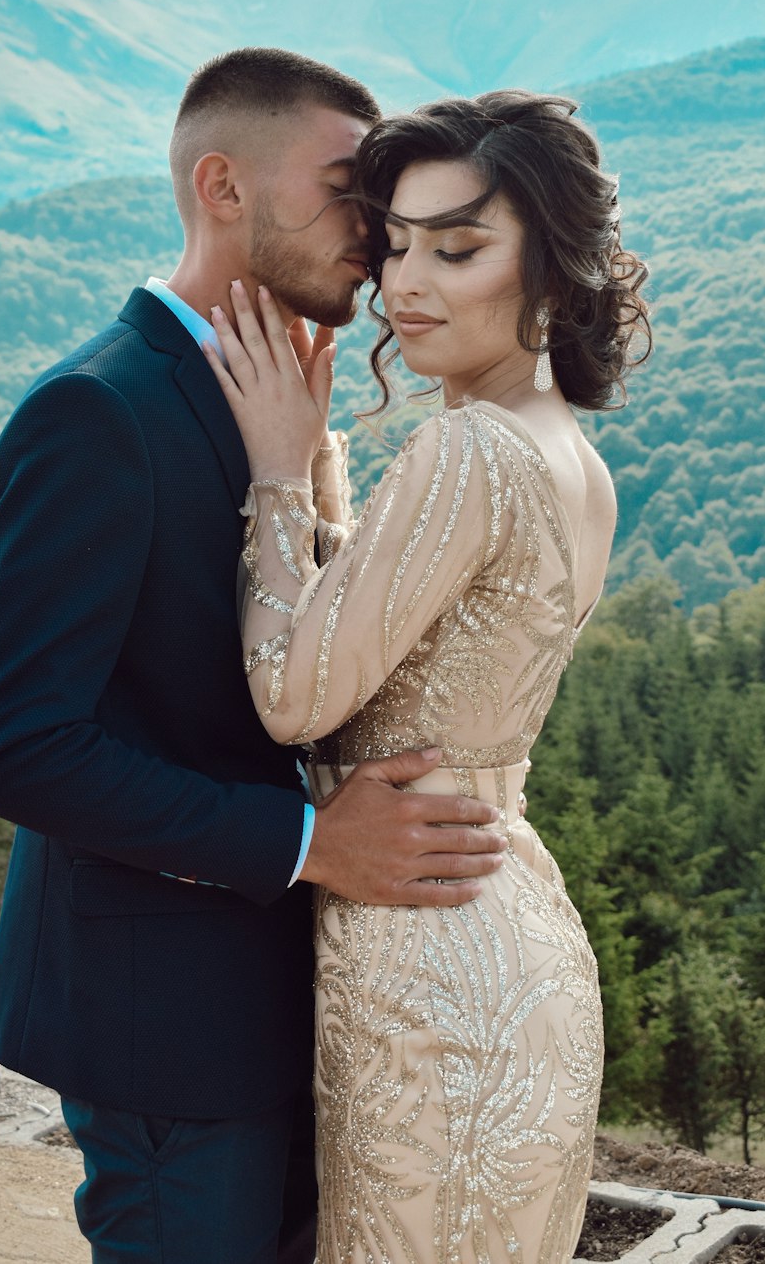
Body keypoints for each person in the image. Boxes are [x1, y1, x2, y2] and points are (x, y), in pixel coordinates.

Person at [0, 49, 510, 1264]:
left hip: (285, 990)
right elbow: (10, 746)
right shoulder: (97, 411)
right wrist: (311, 843)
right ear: (222, 186)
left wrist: (300, 473)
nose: (376, 234)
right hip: (162, 1021)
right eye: (345, 192)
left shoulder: (272, 399)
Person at [205, 89, 651, 1263]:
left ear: (552, 272)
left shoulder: (465, 448)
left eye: (457, 249)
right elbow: (413, 637)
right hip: (513, 932)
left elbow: (293, 698)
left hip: (429, 969)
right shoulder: (573, 459)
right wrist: (334, 480)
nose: (405, 284)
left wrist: (277, 479)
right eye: (395, 244)